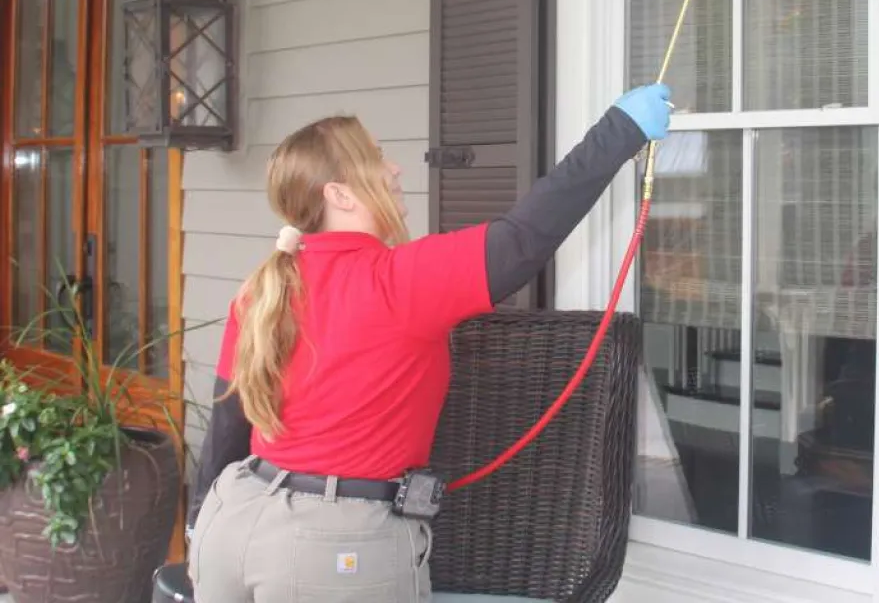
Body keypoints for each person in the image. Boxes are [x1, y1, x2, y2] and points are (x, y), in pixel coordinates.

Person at [186, 83, 673, 603]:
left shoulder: (263, 288)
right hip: (331, 551)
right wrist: (619, 131)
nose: (394, 170)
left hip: (229, 523)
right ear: (339, 194)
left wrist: (196, 524)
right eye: (376, 158)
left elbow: (228, 421)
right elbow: (522, 240)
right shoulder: (397, 280)